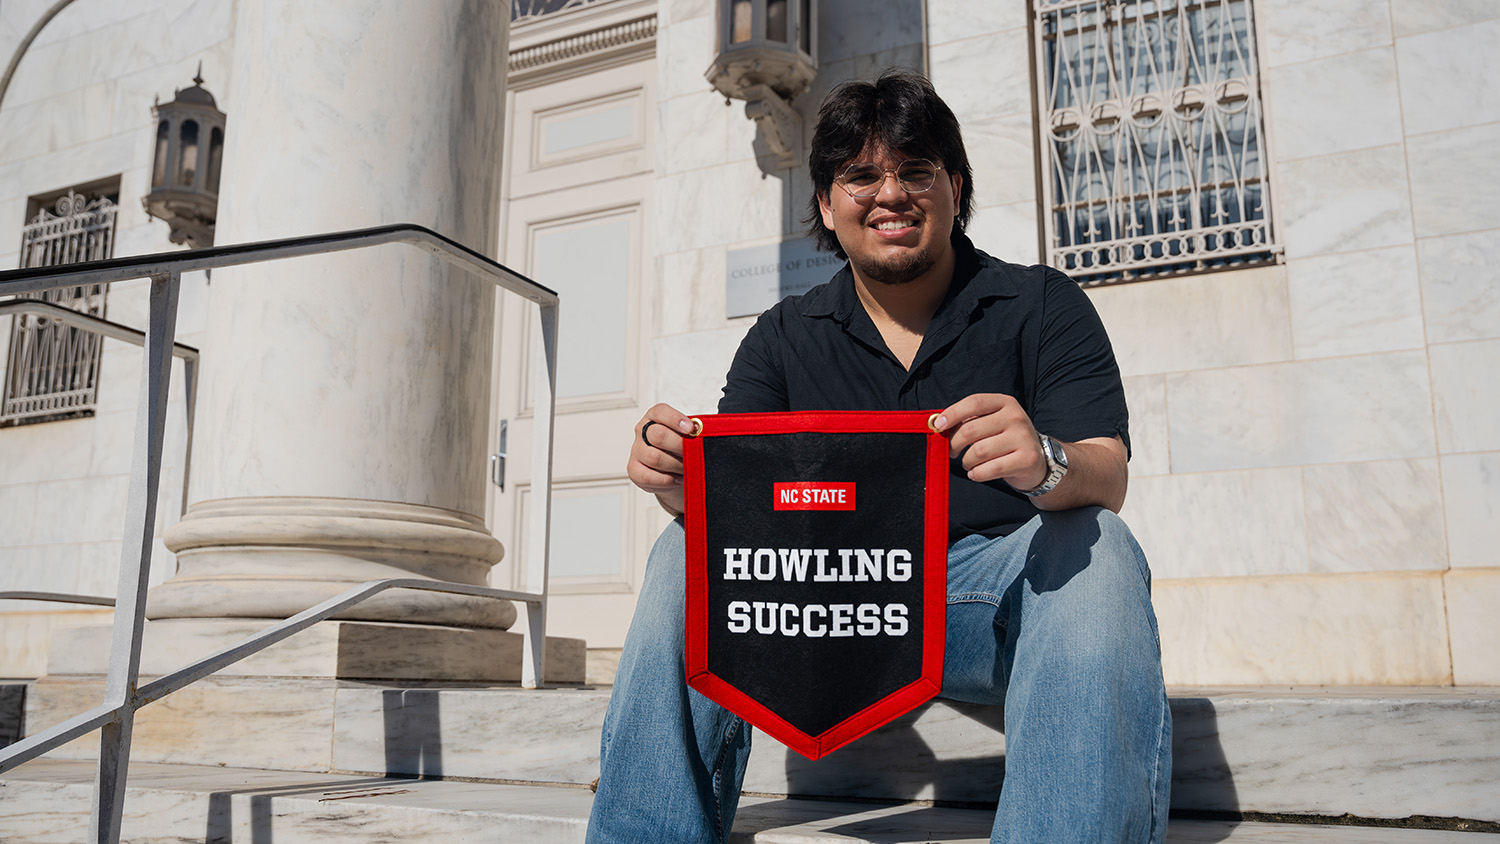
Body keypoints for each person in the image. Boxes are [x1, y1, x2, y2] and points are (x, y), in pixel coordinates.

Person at [587, 69, 1171, 844]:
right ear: (827, 204)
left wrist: (1045, 459)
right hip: (827, 606)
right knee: (684, 550)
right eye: (860, 175)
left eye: (916, 170)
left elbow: (1109, 471)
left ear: (955, 189)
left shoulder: (1040, 303)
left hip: (984, 604)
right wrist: (676, 483)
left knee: (1098, 545)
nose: (889, 193)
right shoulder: (785, 334)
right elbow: (729, 501)